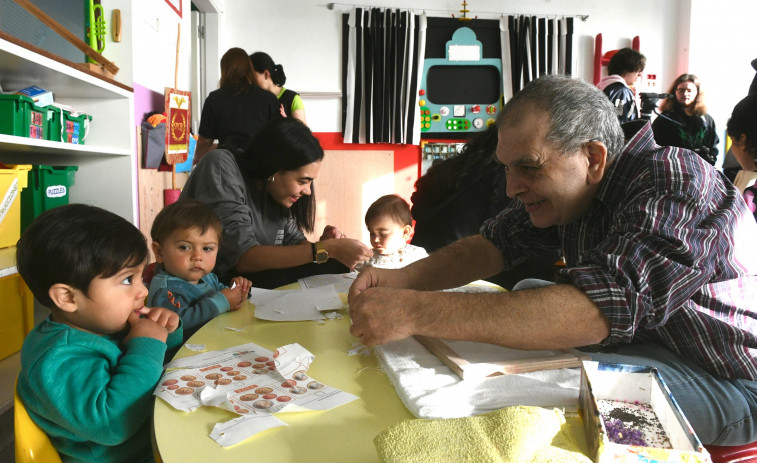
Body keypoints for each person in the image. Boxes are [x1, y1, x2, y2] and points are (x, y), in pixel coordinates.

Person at [349, 74, 757, 446]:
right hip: (649, 341)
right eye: (507, 169)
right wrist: (400, 280)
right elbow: (492, 245)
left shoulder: (677, 180)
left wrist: (416, 312)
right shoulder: (579, 186)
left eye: (527, 167)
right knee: (530, 295)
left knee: (569, 388)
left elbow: (597, 312)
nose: (511, 188)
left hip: (729, 381)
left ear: (593, 158)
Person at [15, 204, 183, 462]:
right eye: (128, 280)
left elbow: (141, 352)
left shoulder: (99, 321)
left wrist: (164, 330)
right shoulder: (58, 359)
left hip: (156, 436)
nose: (143, 292)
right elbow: (112, 425)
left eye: (140, 278)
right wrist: (148, 345)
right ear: (68, 297)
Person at [180, 117, 373, 289]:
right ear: (274, 169)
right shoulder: (222, 165)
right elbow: (243, 257)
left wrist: (324, 246)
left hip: (246, 282)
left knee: (334, 264)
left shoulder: (275, 194)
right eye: (302, 181)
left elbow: (297, 246)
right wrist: (329, 250)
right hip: (209, 287)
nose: (307, 191)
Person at [410, 125, 560, 289]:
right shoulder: (509, 182)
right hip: (474, 282)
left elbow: (417, 210)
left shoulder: (448, 169)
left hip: (422, 266)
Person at [147, 199, 253, 340]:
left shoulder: (208, 277)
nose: (198, 257)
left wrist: (238, 293)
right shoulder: (166, 289)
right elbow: (179, 323)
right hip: (180, 357)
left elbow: (224, 296)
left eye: (207, 248)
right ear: (160, 252)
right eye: (184, 247)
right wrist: (223, 301)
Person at [194, 47, 280, 163]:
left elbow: (204, 141)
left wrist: (197, 159)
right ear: (249, 69)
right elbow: (276, 136)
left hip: (226, 164)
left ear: (224, 71)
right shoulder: (269, 99)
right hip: (259, 165)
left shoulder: (214, 98)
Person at [651, 74, 719, 165]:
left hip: (701, 170)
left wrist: (710, 158)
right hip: (673, 169)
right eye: (681, 90)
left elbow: (713, 147)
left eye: (689, 91)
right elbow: (655, 146)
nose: (685, 94)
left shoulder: (707, 119)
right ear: (674, 92)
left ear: (697, 93)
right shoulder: (664, 119)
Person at [355, 194, 428, 270]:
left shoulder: (418, 256)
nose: (375, 239)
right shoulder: (366, 258)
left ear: (405, 232)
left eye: (383, 234)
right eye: (372, 233)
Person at [250, 51, 307, 125]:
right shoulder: (254, 99)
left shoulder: (292, 98)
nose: (250, 81)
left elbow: (303, 132)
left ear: (266, 74)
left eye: (252, 76)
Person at [597, 47, 646, 123]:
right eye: (637, 70)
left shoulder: (603, 86)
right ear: (626, 69)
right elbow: (619, 123)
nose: (639, 74)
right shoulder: (621, 92)